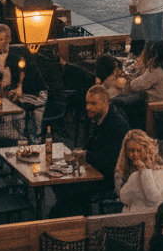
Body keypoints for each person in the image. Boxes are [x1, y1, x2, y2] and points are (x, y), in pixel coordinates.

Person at [50, 85, 129, 217]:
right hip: (94, 172)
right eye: (87, 103)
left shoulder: (117, 125)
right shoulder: (101, 119)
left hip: (109, 180)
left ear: (105, 104)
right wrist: (81, 152)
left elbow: (111, 161)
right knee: (59, 183)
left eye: (93, 103)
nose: (88, 107)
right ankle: (72, 213)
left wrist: (86, 155)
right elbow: (90, 147)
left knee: (67, 188)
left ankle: (71, 218)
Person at [114, 129, 163, 212]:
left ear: (147, 151)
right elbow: (121, 194)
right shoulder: (123, 168)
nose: (135, 154)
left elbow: (153, 196)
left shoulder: (148, 172)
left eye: (139, 150)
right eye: (131, 150)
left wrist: (143, 171)